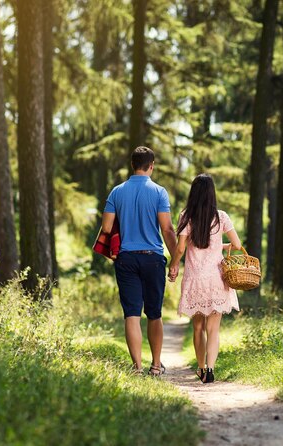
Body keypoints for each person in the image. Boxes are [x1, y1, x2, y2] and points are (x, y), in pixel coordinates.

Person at [100, 146, 177, 376]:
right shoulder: (159, 192)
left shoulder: (117, 192)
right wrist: (176, 260)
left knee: (131, 314)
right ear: (151, 166)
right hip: (153, 258)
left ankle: (137, 368)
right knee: (154, 313)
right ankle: (155, 366)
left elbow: (106, 227)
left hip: (126, 259)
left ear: (133, 165)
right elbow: (167, 229)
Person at [168, 174, 242, 383]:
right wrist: (222, 245)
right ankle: (210, 370)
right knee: (213, 329)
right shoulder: (221, 217)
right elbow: (236, 245)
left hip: (195, 279)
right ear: (212, 194)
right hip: (217, 279)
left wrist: (173, 265)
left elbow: (181, 248)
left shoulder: (186, 216)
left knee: (198, 327)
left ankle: (200, 369)